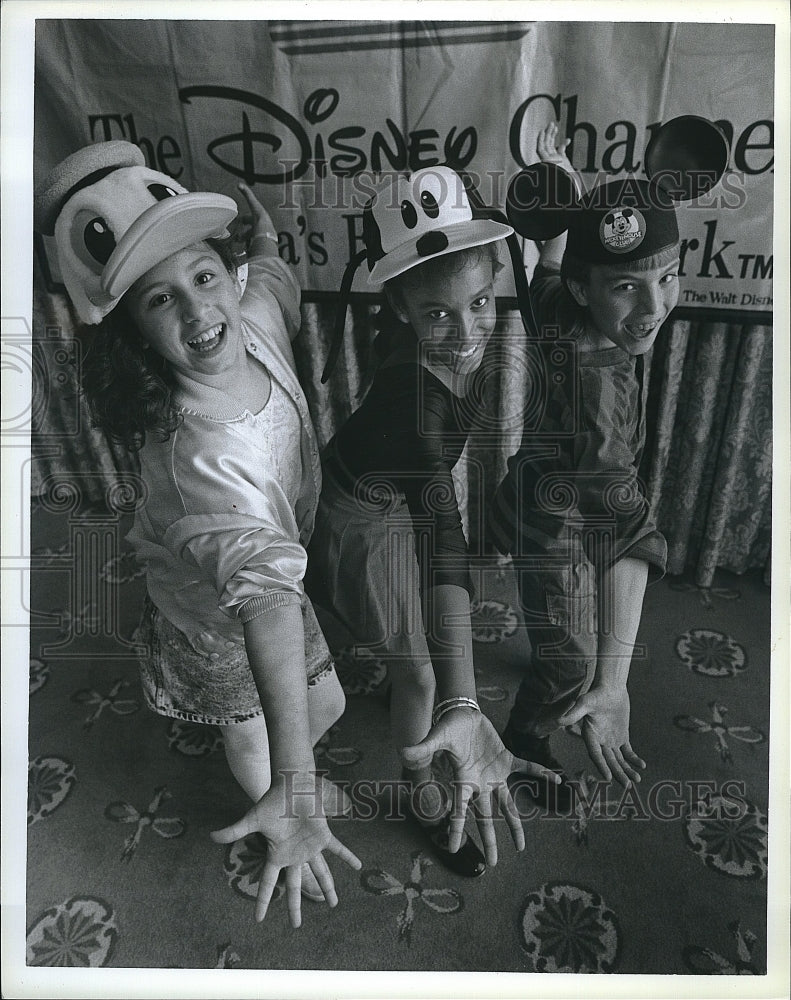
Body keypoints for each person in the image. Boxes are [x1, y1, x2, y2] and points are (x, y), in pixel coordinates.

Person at [34, 140, 361, 929]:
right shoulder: (200, 459)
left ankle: (292, 761)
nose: (196, 310)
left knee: (328, 701)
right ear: (135, 337)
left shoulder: (246, 313)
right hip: (215, 619)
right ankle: (275, 798)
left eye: (203, 277)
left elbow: (270, 283)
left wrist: (270, 239)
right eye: (159, 301)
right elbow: (268, 602)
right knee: (251, 727)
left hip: (275, 574)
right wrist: (292, 775)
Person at [309, 166, 559, 876]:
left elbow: (439, 517)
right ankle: (420, 788)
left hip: (391, 489)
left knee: (439, 618)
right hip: (363, 516)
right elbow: (442, 538)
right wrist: (460, 696)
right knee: (419, 673)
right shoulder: (416, 405)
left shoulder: (449, 338)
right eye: (437, 315)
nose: (466, 330)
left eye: (479, 302)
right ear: (397, 305)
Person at [491, 119, 729, 806]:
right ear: (589, 291)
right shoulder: (600, 385)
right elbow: (625, 528)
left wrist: (564, 197)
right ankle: (523, 744)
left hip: (529, 491)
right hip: (556, 529)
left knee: (548, 623)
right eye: (626, 287)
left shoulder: (564, 310)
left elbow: (548, 274)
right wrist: (612, 680)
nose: (652, 307)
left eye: (667, 277)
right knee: (566, 662)